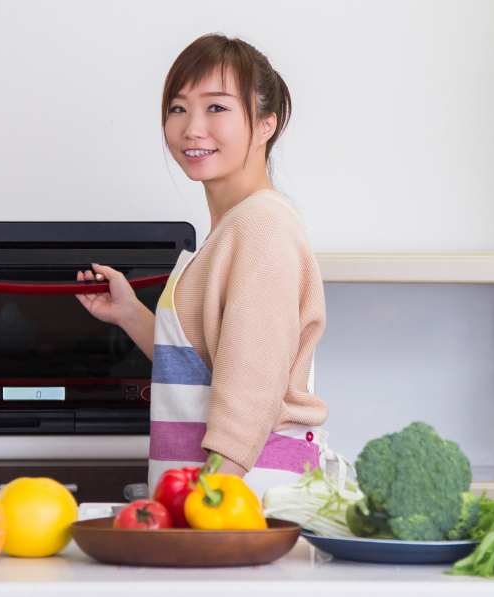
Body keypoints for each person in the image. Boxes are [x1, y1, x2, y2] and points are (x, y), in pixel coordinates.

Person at [75, 33, 328, 498]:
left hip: (246, 498)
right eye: (178, 108)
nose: (192, 127)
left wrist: (209, 499)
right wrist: (129, 313)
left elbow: (251, 388)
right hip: (221, 493)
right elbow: (210, 368)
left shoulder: (260, 226)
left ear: (267, 123)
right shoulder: (233, 228)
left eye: (216, 108)